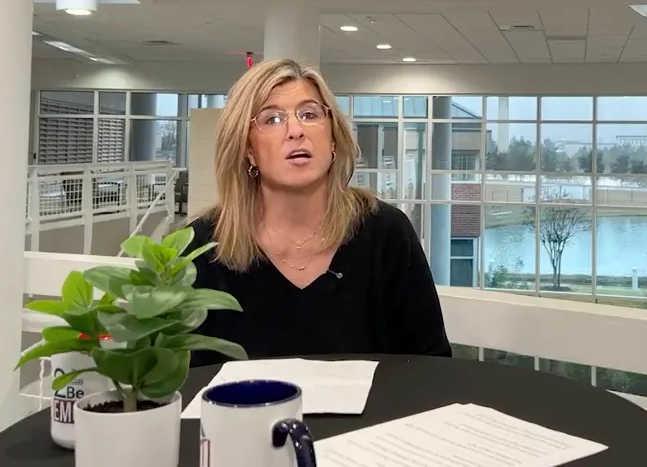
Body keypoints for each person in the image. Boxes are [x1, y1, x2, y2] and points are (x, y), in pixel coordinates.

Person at [185, 58, 451, 365]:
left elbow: (432, 364)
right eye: (272, 119)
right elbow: (182, 379)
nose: (295, 131)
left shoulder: (386, 232)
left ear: (334, 138)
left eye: (309, 114)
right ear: (248, 150)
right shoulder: (201, 247)